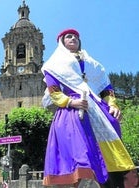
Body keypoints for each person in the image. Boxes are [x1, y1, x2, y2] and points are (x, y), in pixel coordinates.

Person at [41, 28, 136, 187]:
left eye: (76, 37)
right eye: (69, 36)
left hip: (97, 106)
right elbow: (54, 91)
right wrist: (71, 102)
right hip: (72, 107)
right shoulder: (54, 64)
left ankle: (113, 179)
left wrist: (112, 104)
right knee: (76, 140)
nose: (73, 38)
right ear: (62, 42)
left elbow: (106, 88)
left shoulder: (93, 64)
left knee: (112, 122)